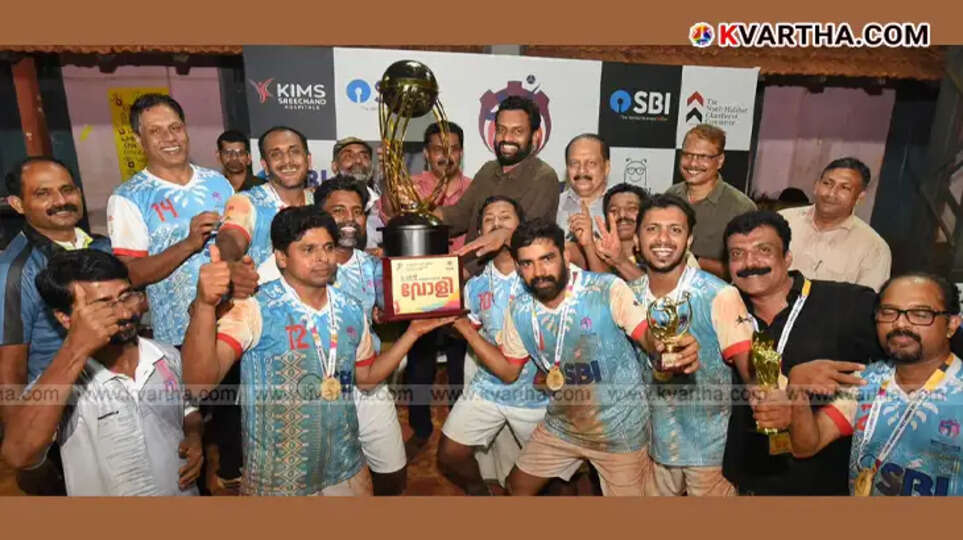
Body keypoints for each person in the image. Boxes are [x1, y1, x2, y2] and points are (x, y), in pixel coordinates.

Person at [181, 207, 455, 495]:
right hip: (277, 481)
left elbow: (368, 378)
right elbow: (198, 385)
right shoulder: (254, 308)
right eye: (308, 249)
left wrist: (413, 333)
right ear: (282, 257)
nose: (322, 258)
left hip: (346, 470)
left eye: (327, 247)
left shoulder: (349, 308)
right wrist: (204, 304)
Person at [450, 218, 700, 495]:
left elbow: (646, 334)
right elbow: (509, 371)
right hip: (562, 423)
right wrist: (465, 329)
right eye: (527, 263)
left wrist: (665, 348)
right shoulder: (520, 309)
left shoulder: (605, 289)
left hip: (619, 431)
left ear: (566, 257)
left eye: (547, 259)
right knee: (517, 486)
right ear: (519, 269)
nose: (539, 272)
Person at [1, 249, 203, 496]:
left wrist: (194, 436)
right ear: (65, 318)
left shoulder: (167, 356)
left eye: (126, 297)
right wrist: (75, 348)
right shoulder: (62, 383)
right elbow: (19, 455)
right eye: (104, 305)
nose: (126, 313)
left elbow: (188, 410)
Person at [720, 210, 883, 495]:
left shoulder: (847, 304)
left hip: (819, 481)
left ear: (788, 258)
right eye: (737, 254)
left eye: (764, 250)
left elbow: (906, 356)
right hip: (745, 477)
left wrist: (844, 407)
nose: (749, 263)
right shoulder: (726, 311)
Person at [758, 272, 963, 496]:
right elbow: (806, 446)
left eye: (920, 314)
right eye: (888, 312)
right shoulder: (867, 381)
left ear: (952, 324)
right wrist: (797, 390)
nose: (900, 323)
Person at [623, 194, 753, 496]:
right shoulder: (627, 296)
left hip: (710, 455)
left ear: (689, 240)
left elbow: (751, 370)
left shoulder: (719, 295)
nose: (663, 239)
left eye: (675, 230)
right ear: (637, 240)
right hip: (653, 446)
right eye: (652, 229)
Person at [0, 156, 112, 495]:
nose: (60, 201)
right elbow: (10, 371)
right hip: (65, 419)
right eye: (43, 194)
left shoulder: (100, 247)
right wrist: (31, 452)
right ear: (18, 204)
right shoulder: (15, 271)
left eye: (66, 190)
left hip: (114, 404)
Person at [106, 93, 244, 347]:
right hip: (180, 336)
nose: (169, 138)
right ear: (139, 140)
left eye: (175, 127)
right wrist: (189, 243)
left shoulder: (218, 182)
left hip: (235, 325)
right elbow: (131, 275)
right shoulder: (129, 197)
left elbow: (241, 244)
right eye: (155, 131)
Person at [437, 196, 548, 495]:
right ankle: (481, 498)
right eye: (489, 219)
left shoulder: (539, 273)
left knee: (551, 480)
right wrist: (440, 316)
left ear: (519, 228)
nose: (496, 223)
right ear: (478, 232)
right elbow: (469, 329)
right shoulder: (474, 284)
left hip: (535, 395)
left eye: (505, 217)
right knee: (450, 455)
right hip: (488, 386)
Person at [313, 177, 408, 496]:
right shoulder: (301, 265)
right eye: (338, 211)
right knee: (333, 484)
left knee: (393, 472)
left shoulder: (374, 265)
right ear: (319, 215)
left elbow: (391, 307)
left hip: (368, 383)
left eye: (357, 211)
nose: (350, 219)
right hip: (317, 389)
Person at [435, 96, 560, 266]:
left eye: (517, 131)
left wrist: (464, 275)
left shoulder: (543, 177)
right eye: (501, 130)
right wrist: (423, 214)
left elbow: (524, 237)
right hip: (471, 277)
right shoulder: (488, 170)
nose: (506, 138)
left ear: (535, 136)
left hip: (513, 280)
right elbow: (460, 215)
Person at [779, 157, 892, 291]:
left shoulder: (874, 248)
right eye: (827, 183)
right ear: (816, 186)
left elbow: (866, 304)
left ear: (860, 197)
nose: (831, 193)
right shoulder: (782, 221)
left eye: (844, 188)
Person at [666, 124, 756, 279]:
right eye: (687, 154)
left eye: (702, 157)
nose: (693, 163)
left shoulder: (741, 208)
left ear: (720, 161)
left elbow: (746, 268)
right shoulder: (670, 196)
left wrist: (691, 259)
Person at [330, 136, 383, 250]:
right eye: (349, 156)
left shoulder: (381, 202)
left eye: (364, 156)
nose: (358, 161)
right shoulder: (323, 200)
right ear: (334, 166)